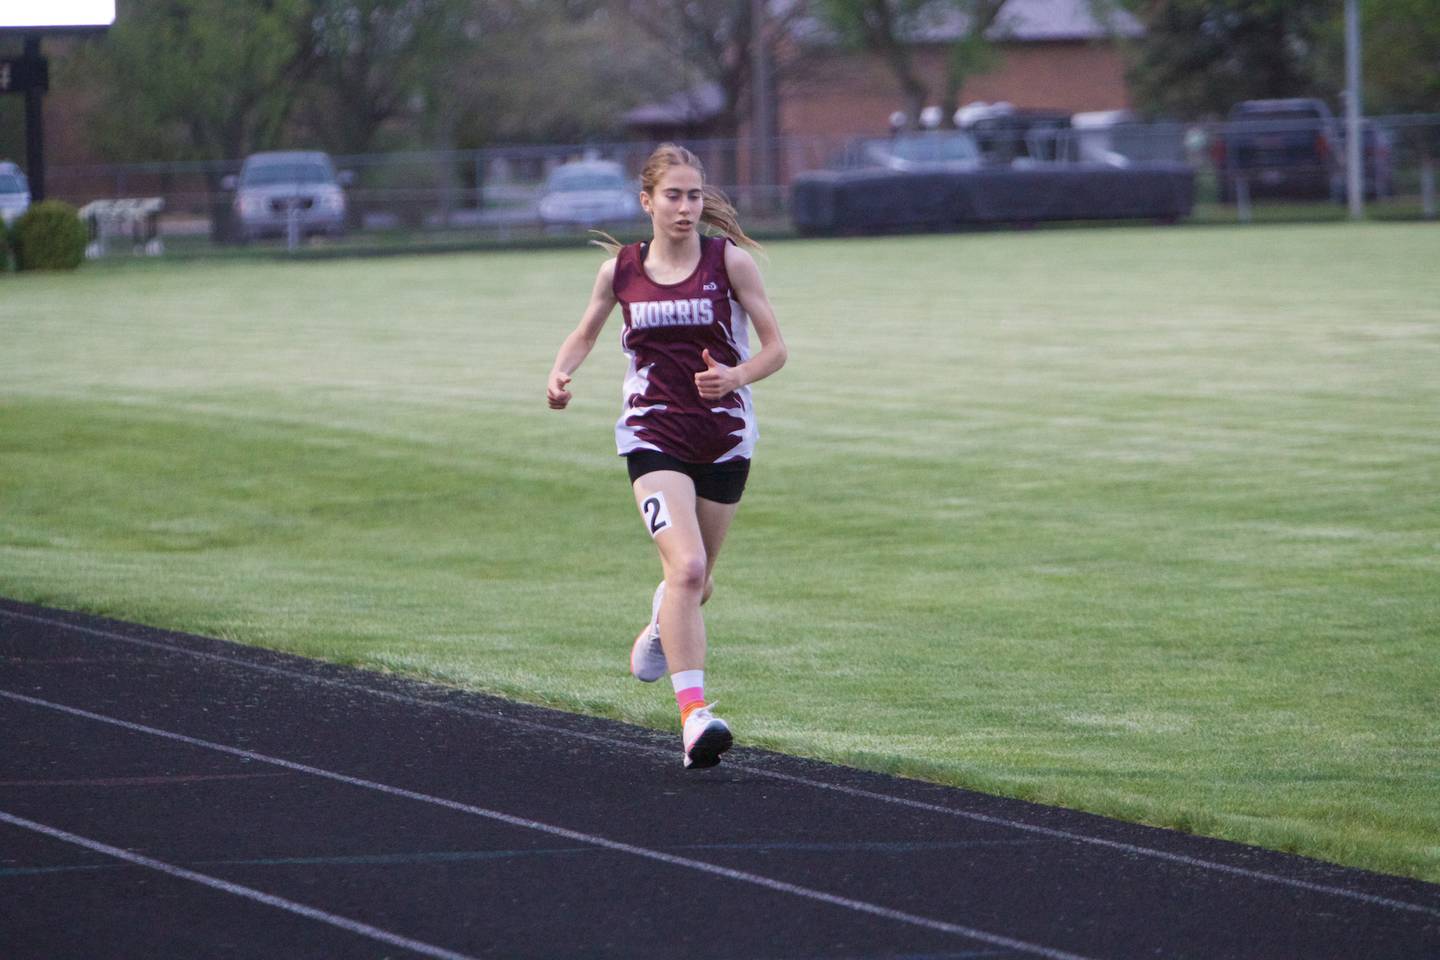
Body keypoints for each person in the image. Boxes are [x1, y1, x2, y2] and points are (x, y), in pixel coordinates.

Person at [546, 143, 788, 769]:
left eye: (695, 195)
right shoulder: (620, 270)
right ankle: (694, 717)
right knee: (684, 568)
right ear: (647, 201)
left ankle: (660, 627)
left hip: (725, 439)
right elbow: (587, 330)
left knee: (698, 583)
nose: (686, 207)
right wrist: (561, 371)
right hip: (652, 437)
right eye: (674, 195)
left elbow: (775, 349)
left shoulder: (728, 261)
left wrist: (735, 378)